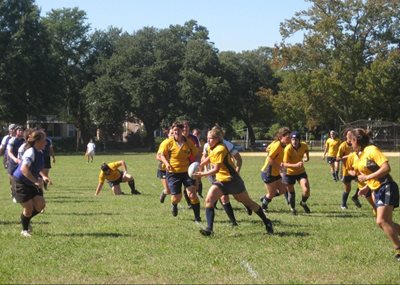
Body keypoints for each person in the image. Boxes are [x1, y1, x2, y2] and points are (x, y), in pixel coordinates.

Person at [195, 127, 273, 236]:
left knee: (248, 203)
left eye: (211, 138)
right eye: (207, 138)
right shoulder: (210, 147)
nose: (208, 141)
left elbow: (216, 168)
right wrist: (201, 165)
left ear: (217, 139)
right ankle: (209, 229)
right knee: (209, 200)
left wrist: (202, 174)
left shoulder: (221, 148)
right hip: (221, 181)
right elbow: (210, 157)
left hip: (232, 180)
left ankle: (267, 222)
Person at [350, 128, 400, 262]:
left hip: (387, 186)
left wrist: (367, 177)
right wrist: (366, 187)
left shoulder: (371, 150)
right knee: (384, 222)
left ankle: (399, 250)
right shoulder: (359, 155)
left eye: (351, 140)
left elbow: (386, 168)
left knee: (381, 220)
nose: (350, 143)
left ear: (356, 140)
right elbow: (373, 174)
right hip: (376, 189)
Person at [157, 121, 201, 222]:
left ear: (182, 131)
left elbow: (197, 154)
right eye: (174, 130)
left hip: (187, 172)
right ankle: (174, 204)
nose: (176, 132)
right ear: (172, 131)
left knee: (192, 194)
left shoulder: (188, 142)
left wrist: (197, 163)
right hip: (173, 173)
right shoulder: (167, 142)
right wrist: (167, 164)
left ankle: (197, 217)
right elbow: (161, 155)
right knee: (177, 197)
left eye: (178, 130)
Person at [201, 125, 245, 226]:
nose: (209, 138)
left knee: (237, 198)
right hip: (212, 173)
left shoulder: (227, 145)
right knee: (220, 198)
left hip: (226, 174)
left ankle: (248, 206)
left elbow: (238, 159)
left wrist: (236, 172)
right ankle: (231, 222)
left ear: (219, 135)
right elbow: (205, 157)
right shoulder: (208, 144)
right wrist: (202, 167)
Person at [12, 130, 50, 237]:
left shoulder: (40, 152)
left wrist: (44, 176)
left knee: (40, 205)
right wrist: (35, 181)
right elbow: (24, 169)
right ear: (37, 141)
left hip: (32, 182)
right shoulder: (30, 152)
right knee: (28, 207)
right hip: (21, 182)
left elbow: (37, 168)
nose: (46, 142)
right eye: (44, 140)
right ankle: (24, 230)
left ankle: (26, 220)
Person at [260, 127, 291, 211]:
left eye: (290, 137)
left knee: (283, 190)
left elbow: (267, 148)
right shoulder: (277, 145)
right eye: (288, 138)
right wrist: (280, 168)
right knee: (271, 193)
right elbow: (270, 159)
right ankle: (263, 207)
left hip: (276, 172)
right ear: (281, 137)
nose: (290, 139)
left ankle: (264, 198)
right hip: (268, 172)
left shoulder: (284, 145)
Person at [282, 131, 311, 215]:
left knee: (306, 189)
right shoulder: (288, 149)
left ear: (299, 140)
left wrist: (307, 158)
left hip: (300, 172)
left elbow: (306, 150)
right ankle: (293, 209)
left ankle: (303, 203)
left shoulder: (304, 145)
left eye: (296, 140)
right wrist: (296, 165)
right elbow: (284, 164)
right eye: (293, 139)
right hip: (289, 173)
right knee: (291, 193)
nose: (294, 141)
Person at [336, 128, 362, 210]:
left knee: (362, 183)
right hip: (346, 170)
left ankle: (355, 197)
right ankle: (343, 204)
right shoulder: (343, 146)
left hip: (356, 169)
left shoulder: (356, 144)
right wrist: (349, 156)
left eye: (352, 134)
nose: (350, 136)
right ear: (346, 136)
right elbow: (338, 158)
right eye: (349, 134)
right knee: (348, 188)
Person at [7, 126, 25, 201]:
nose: (20, 132)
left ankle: (19, 194)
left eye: (22, 130)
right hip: (13, 162)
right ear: (16, 131)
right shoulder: (12, 140)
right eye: (19, 130)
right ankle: (13, 192)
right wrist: (15, 159)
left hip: (21, 162)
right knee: (12, 179)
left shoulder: (25, 141)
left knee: (20, 178)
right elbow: (9, 152)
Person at [157, 128, 174, 203]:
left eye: (174, 133)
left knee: (174, 189)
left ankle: (174, 204)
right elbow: (158, 156)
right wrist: (167, 162)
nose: (173, 135)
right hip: (163, 170)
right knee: (168, 190)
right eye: (171, 133)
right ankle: (164, 192)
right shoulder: (164, 143)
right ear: (168, 134)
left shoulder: (178, 144)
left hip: (173, 170)